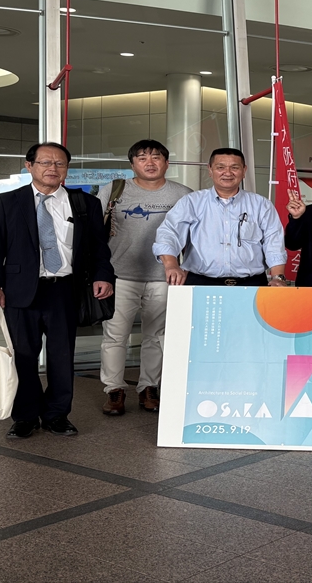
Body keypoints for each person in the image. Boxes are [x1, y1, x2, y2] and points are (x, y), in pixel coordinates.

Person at [0, 142, 115, 440]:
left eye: (59, 163)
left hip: (64, 289)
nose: (52, 168)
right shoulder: (7, 202)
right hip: (20, 291)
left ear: (66, 169)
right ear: (29, 166)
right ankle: (25, 416)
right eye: (45, 162)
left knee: (62, 355)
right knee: (23, 356)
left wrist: (103, 276)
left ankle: (57, 414)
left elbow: (99, 247)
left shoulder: (85, 204)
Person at [96, 140, 192, 417]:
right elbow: (94, 231)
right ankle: (114, 390)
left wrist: (187, 268)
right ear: (132, 164)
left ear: (167, 163)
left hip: (164, 277)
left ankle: (149, 387)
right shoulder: (114, 190)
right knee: (115, 336)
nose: (150, 163)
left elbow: (193, 236)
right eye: (142, 158)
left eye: (156, 157)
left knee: (156, 336)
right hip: (119, 275)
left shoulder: (184, 195)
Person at [154, 147, 287, 287]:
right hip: (200, 282)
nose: (228, 173)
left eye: (234, 167)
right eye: (220, 167)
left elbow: (274, 242)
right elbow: (169, 234)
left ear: (244, 171)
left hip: (252, 283)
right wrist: (172, 265)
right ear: (210, 170)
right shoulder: (191, 202)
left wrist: (278, 277)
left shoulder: (261, 205)